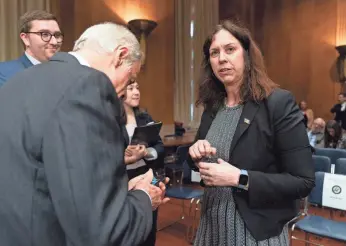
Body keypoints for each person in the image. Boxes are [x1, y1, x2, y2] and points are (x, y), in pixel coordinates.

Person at [0, 22, 169, 246]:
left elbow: (48, 173)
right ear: (121, 55)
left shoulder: (17, 82)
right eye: (130, 78)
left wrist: (113, 192)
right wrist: (145, 197)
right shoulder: (90, 84)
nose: (123, 90)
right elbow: (104, 232)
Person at [187, 20, 315, 245]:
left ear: (247, 55)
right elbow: (197, 161)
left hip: (257, 232)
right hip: (212, 226)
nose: (222, 59)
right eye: (214, 53)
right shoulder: (213, 106)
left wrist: (239, 178)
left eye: (230, 49)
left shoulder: (277, 103)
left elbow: (302, 181)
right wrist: (194, 153)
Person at [122, 79, 165, 246]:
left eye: (138, 88)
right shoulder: (111, 120)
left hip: (147, 176)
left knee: (149, 227)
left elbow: (160, 147)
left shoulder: (145, 118)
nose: (136, 92)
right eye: (131, 88)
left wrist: (146, 152)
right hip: (124, 179)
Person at [0, 10, 63, 86]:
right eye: (45, 34)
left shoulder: (68, 74)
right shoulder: (4, 73)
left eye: (57, 35)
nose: (54, 42)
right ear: (26, 38)